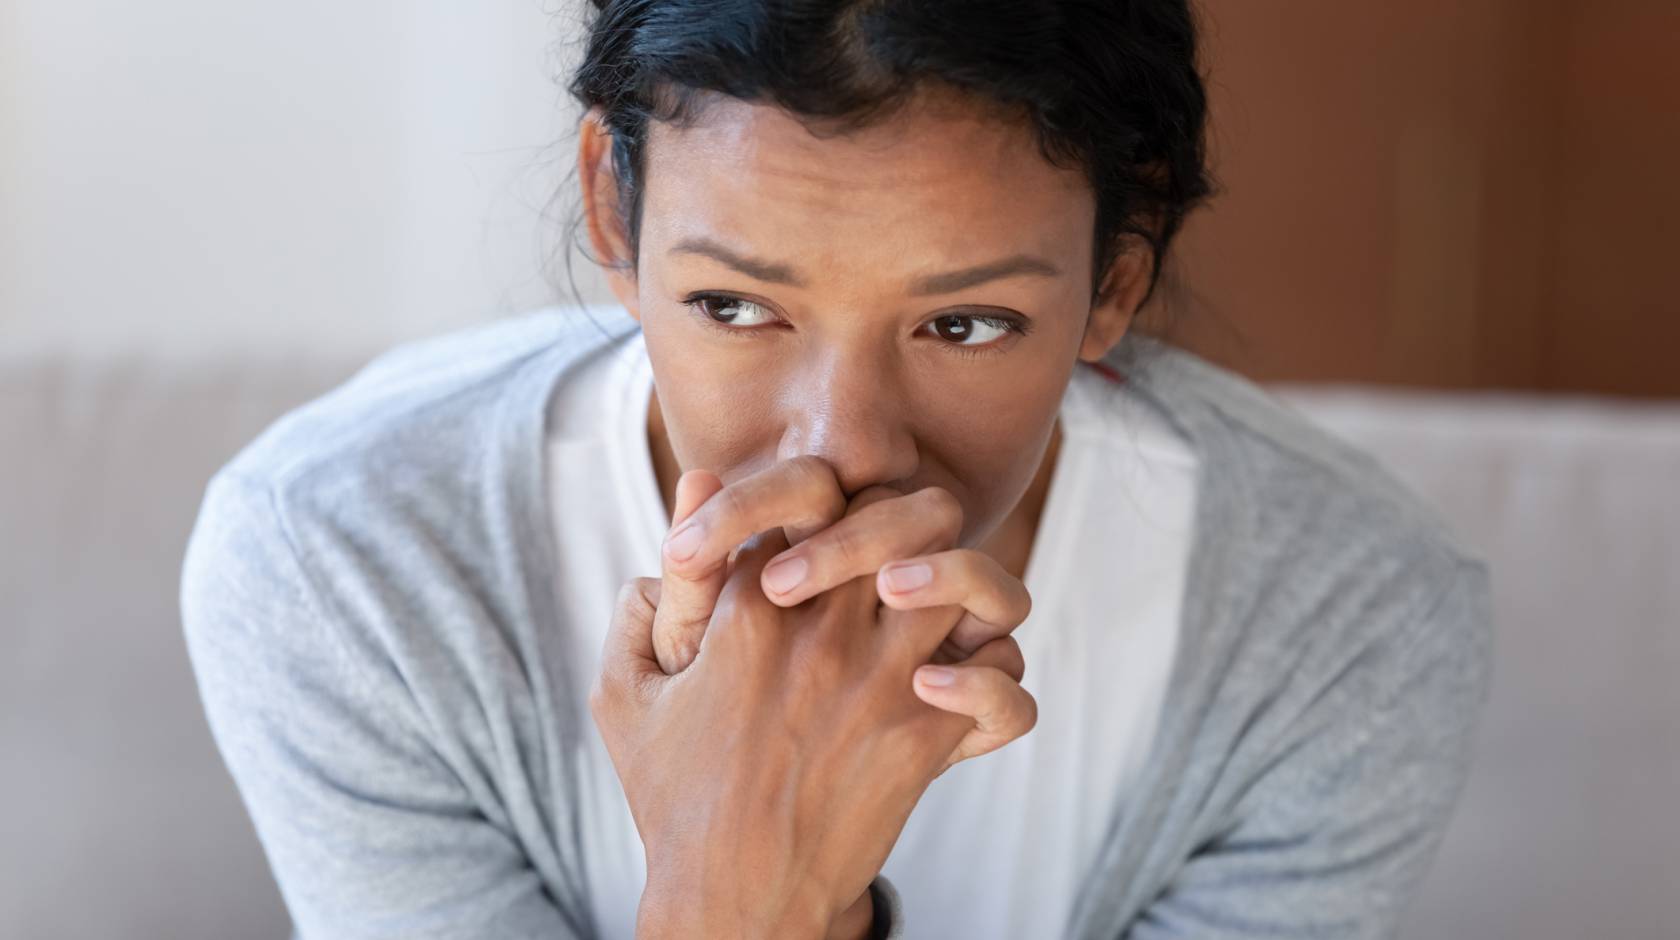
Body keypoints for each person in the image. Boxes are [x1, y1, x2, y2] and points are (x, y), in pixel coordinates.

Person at [180, 1, 1495, 938]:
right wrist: (739, 892)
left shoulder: (1348, 624)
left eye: (965, 325)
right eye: (739, 309)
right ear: (614, 210)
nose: (844, 448)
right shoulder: (342, 566)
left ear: (1118, 278)